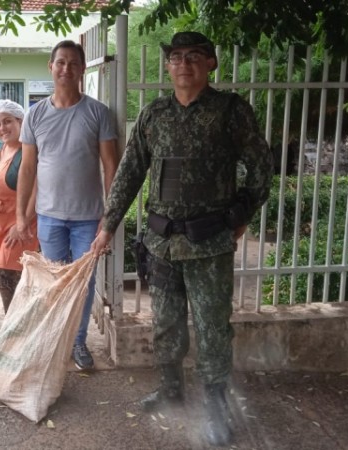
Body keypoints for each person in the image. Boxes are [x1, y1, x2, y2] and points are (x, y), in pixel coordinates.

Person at [90, 32, 273, 446]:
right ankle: (171, 389)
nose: (184, 64)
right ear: (168, 65)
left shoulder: (230, 112)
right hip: (161, 243)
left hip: (209, 242)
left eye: (194, 57)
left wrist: (239, 216)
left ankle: (216, 408)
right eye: (176, 57)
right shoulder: (154, 115)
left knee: (211, 328)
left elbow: (261, 169)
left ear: (211, 64)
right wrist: (107, 226)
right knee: (166, 322)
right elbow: (129, 175)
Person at [16, 40, 119, 370]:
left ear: (82, 69)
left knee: (83, 283)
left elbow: (110, 166)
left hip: (88, 218)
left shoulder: (97, 113)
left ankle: (77, 343)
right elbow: (28, 168)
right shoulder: (35, 115)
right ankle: (55, 340)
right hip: (49, 217)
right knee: (54, 282)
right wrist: (21, 215)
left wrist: (109, 218)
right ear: (50, 67)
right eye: (60, 62)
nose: (66, 69)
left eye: (73, 63)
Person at [0, 99, 39, 317]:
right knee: (3, 278)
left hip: (19, 223)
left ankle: (16, 332)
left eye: (7, 122)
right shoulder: (1, 149)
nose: (2, 128)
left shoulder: (28, 151)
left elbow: (36, 190)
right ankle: (13, 327)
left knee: (7, 275)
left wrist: (21, 222)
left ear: (20, 121)